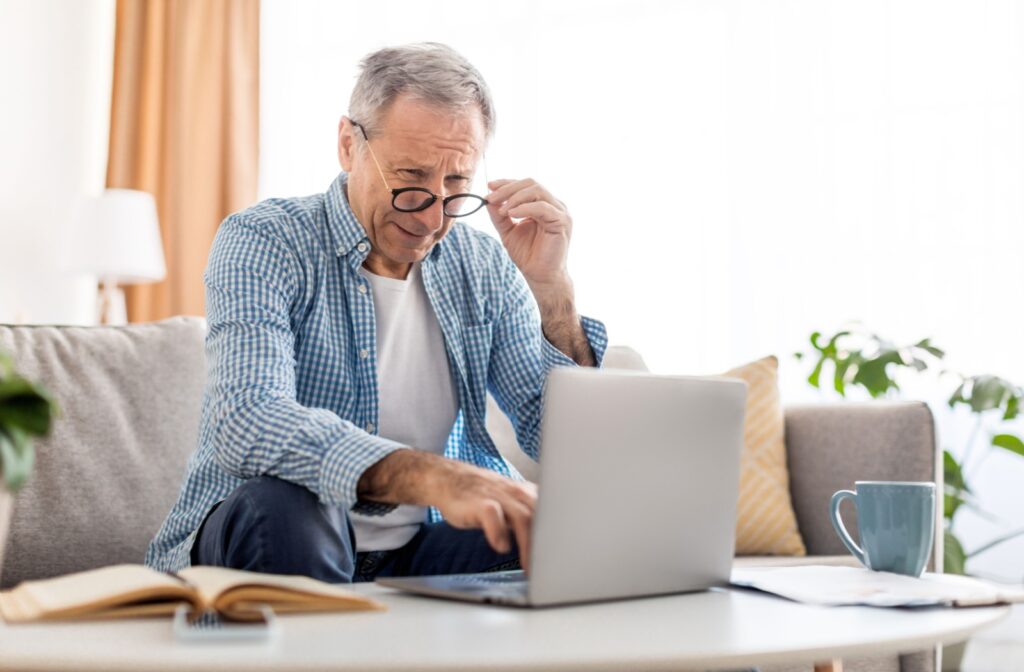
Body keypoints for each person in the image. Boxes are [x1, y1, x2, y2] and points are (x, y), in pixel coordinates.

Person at [146, 42, 607, 583]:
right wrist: (433, 476)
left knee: (564, 531)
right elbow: (247, 420)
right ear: (348, 145)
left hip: (415, 552)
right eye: (411, 177)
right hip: (276, 532)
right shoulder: (265, 240)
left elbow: (563, 442)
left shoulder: (482, 265)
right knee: (290, 509)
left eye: (456, 184)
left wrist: (552, 291)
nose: (434, 216)